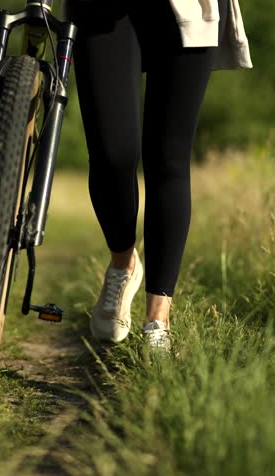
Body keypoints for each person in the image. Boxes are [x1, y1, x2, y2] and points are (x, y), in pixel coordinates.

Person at [62, 0, 252, 349]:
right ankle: (124, 264)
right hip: (104, 11)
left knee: (168, 160)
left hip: (188, 8)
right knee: (111, 152)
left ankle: (158, 319)